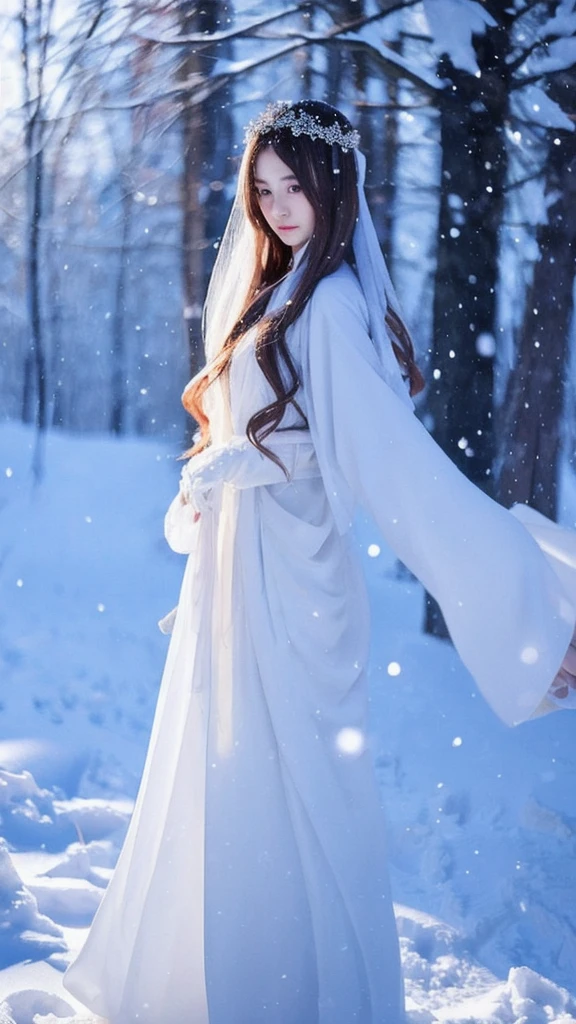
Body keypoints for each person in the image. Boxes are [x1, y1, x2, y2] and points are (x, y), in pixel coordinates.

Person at [63, 100, 576, 1024]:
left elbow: (390, 467)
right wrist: (217, 470)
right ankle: (234, 984)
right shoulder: (285, 285)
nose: (278, 206)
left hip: (293, 584)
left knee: (290, 790)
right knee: (237, 779)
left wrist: (522, 608)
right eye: (262, 189)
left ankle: (299, 996)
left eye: (295, 185)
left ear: (336, 184)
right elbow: (287, 428)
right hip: (245, 569)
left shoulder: (332, 302)